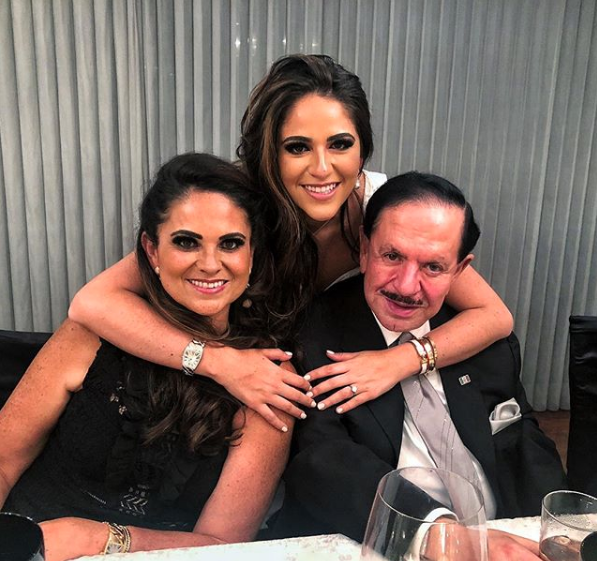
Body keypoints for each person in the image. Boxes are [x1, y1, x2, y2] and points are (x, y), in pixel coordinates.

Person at [68, 54, 513, 431]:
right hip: (234, 383)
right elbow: (92, 302)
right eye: (298, 147)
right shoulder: (235, 202)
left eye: (340, 144)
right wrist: (219, 362)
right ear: (269, 152)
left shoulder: (387, 211)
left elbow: (494, 316)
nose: (321, 169)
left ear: (363, 149)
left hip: (336, 393)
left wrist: (399, 362)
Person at [0, 153, 292, 560]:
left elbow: (224, 546)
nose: (210, 264)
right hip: (26, 538)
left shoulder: (268, 376)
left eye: (231, 243)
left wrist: (97, 539)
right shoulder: (94, 333)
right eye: (186, 242)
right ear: (151, 251)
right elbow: (3, 460)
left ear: (252, 254)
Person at [274, 172, 567, 559]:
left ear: (459, 270)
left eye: (433, 267)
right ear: (364, 249)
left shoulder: (479, 337)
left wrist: (555, 536)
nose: (406, 287)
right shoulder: (312, 335)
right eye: (392, 256)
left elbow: (525, 442)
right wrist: (442, 536)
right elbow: (322, 460)